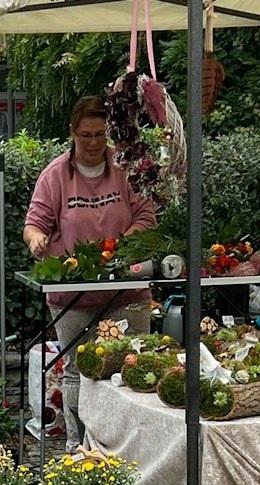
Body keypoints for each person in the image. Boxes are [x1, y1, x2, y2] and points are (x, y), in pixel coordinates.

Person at [24, 95, 158, 448]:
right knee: (78, 372)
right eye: (86, 135)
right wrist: (37, 240)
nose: (94, 143)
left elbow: (147, 217)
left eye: (100, 134)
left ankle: (133, 452)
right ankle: (79, 449)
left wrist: (121, 247)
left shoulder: (126, 168)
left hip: (127, 292)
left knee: (134, 367)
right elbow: (34, 224)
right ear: (72, 133)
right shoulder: (54, 176)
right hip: (73, 297)